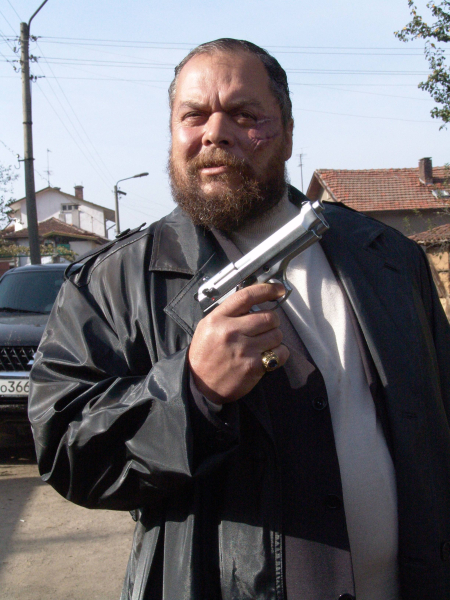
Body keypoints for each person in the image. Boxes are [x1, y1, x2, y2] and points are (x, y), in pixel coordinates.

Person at [28, 39, 450, 600]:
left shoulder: (389, 259)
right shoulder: (112, 283)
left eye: (245, 115)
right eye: (194, 115)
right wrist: (192, 391)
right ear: (173, 132)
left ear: (289, 134)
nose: (215, 133)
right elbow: (66, 452)